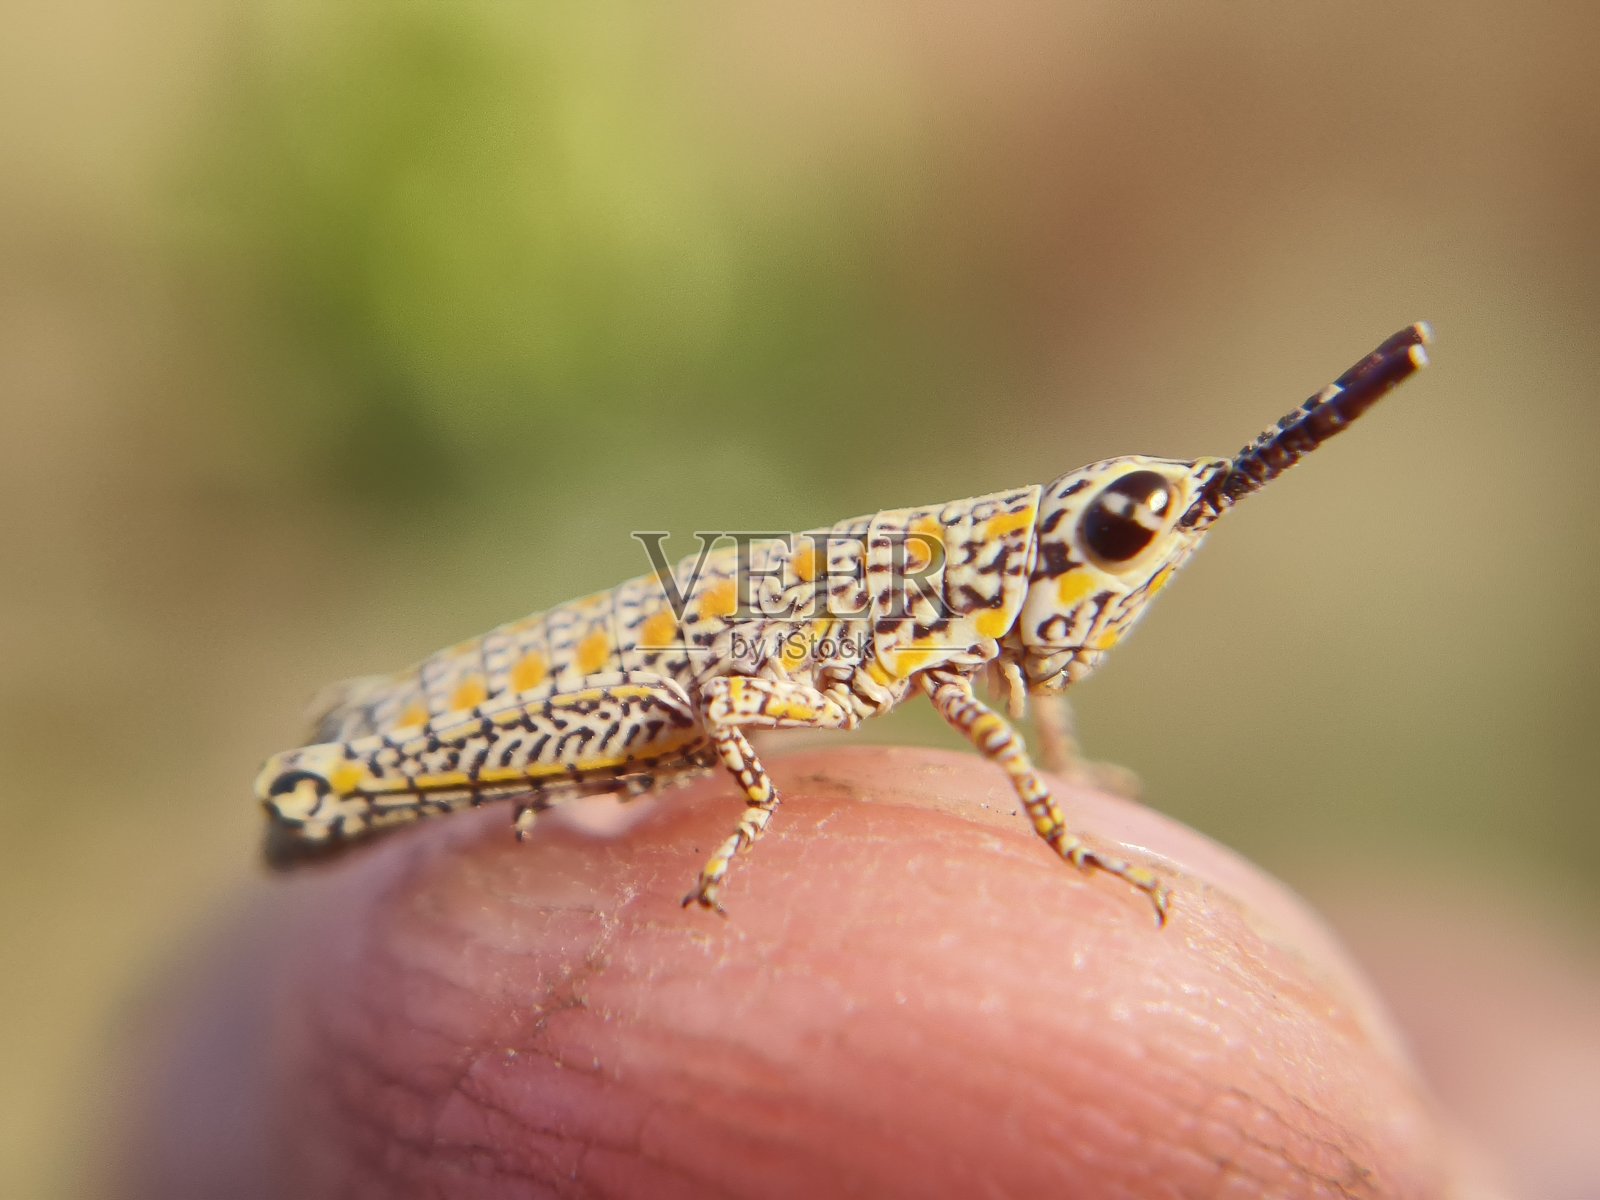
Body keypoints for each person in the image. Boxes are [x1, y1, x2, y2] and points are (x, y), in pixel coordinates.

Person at [111, 747, 1505, 1198]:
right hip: (645, 687)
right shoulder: (911, 586)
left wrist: (1062, 759)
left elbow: (1017, 686)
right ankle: (360, 762)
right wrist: (1054, 815)